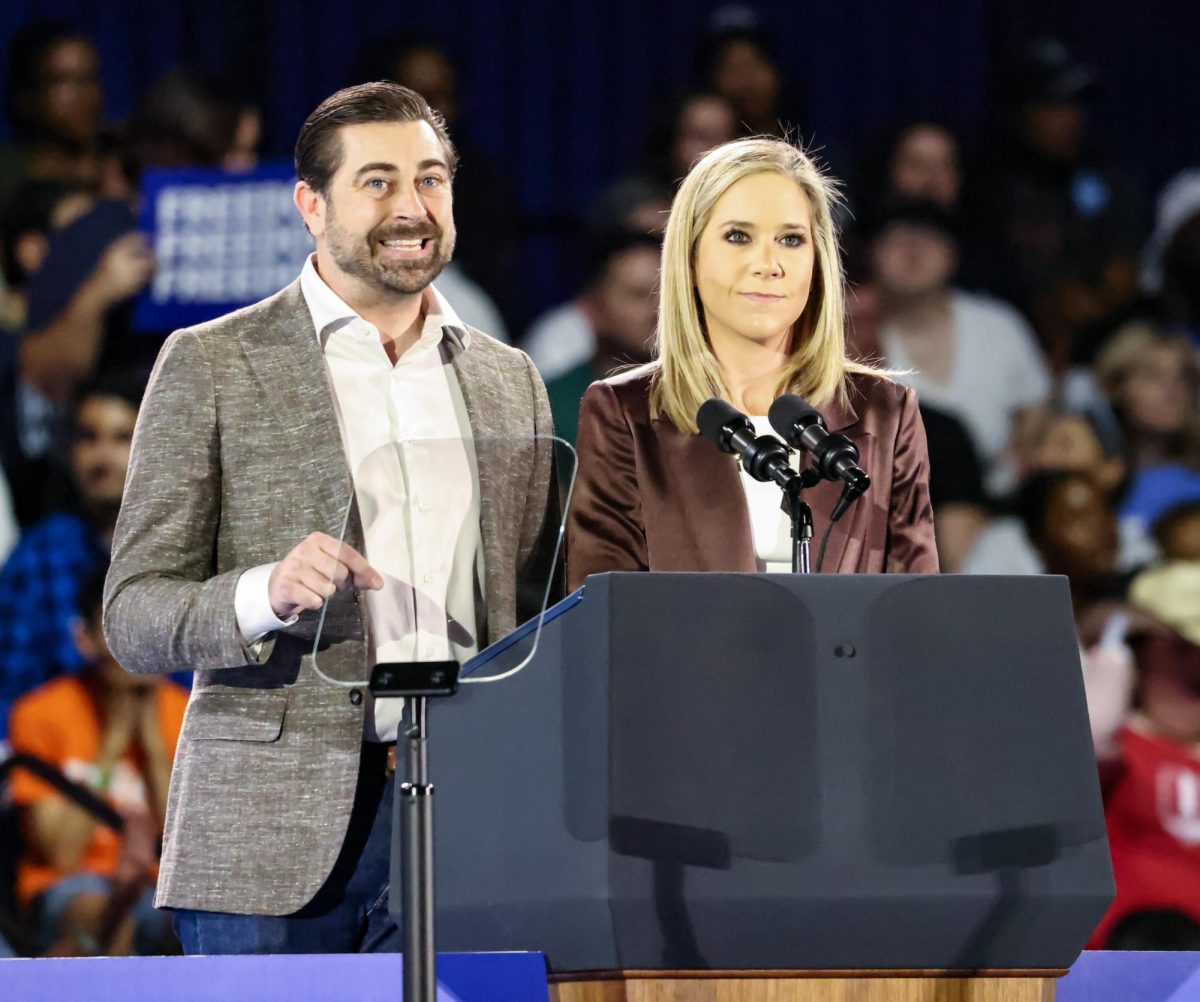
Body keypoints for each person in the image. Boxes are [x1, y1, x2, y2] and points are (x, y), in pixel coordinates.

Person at [102, 82, 556, 955]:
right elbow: (133, 615)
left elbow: (531, 612)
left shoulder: (509, 379)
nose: (412, 208)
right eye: (377, 182)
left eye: (432, 179)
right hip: (265, 833)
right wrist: (261, 595)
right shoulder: (213, 362)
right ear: (311, 204)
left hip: (464, 821)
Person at [567, 137, 937, 590]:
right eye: (738, 237)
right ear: (690, 256)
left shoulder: (886, 410)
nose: (768, 263)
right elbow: (607, 620)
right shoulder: (624, 412)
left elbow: (915, 612)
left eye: (791, 239)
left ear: (818, 262)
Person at [7, 566, 186, 956]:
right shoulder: (42, 713)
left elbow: (186, 848)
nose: (132, 649)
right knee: (98, 910)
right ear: (84, 638)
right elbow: (61, 853)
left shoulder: (186, 712)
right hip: (72, 884)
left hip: (164, 889)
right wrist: (111, 747)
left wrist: (153, 747)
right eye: (116, 631)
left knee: (196, 920)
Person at [0, 371, 142, 738]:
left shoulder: (191, 546)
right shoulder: (38, 556)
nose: (102, 457)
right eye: (88, 438)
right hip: (60, 763)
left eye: (122, 438)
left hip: (171, 760)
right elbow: (9, 687)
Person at [544, 230, 660, 444]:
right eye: (638, 295)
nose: (658, 309)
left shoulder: (704, 398)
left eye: (667, 294)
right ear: (592, 307)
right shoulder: (552, 409)